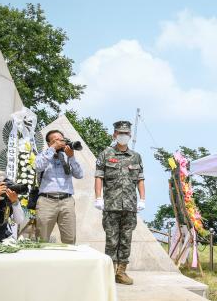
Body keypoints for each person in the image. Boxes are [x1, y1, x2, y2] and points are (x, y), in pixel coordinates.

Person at [95, 121, 146, 285]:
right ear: (114, 135)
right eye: (119, 133)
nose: (122, 136)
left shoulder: (136, 156)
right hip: (111, 205)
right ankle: (109, 272)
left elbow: (140, 179)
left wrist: (143, 199)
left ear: (130, 136)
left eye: (125, 133)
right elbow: (99, 177)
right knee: (111, 240)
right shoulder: (106, 154)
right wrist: (98, 197)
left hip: (130, 206)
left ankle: (121, 272)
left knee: (126, 239)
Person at [34, 129, 83, 244]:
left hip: (67, 201)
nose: (60, 142)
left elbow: (79, 175)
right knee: (42, 238)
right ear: (49, 143)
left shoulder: (68, 156)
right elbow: (38, 166)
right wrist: (52, 149)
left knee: (70, 238)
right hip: (46, 200)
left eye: (61, 139)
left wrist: (71, 157)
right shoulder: (43, 155)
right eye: (56, 140)